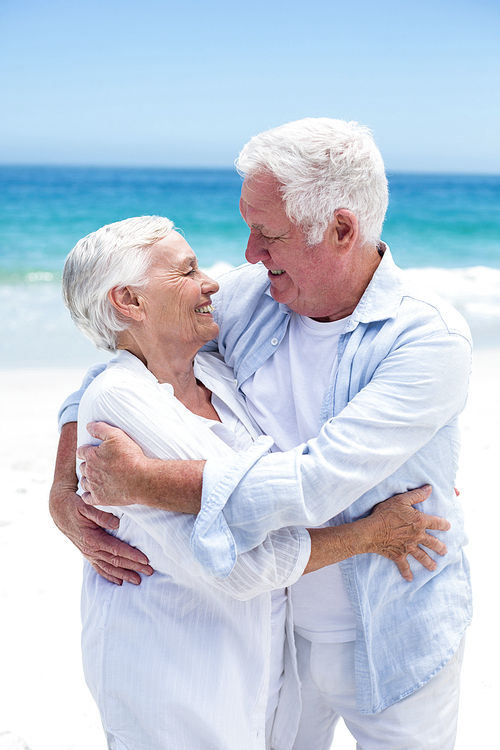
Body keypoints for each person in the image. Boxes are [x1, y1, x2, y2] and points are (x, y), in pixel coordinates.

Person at [51, 118, 472, 749]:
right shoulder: (260, 296)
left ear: (341, 230)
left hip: (391, 630)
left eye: (267, 234)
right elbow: (130, 355)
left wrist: (144, 481)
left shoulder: (427, 339)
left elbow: (315, 482)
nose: (248, 255)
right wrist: (64, 483)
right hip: (277, 642)